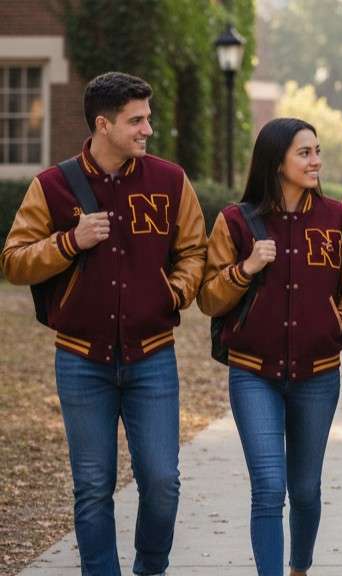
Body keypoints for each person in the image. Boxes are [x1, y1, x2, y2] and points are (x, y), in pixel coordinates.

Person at [0, 71, 207, 575]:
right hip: (80, 359)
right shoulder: (50, 186)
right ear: (103, 124)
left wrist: (173, 292)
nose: (147, 130)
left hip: (153, 356)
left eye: (148, 120)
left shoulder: (170, 181)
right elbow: (13, 260)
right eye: (137, 121)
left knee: (162, 481)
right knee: (92, 485)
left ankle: (149, 568)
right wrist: (70, 242)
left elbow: (194, 252)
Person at [198, 117, 342, 576]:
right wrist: (246, 268)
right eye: (305, 152)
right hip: (253, 372)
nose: (316, 160)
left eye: (317, 151)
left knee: (305, 490)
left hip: (318, 375)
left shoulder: (339, 219)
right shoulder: (236, 222)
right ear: (276, 161)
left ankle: (299, 568)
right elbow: (209, 297)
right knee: (268, 487)